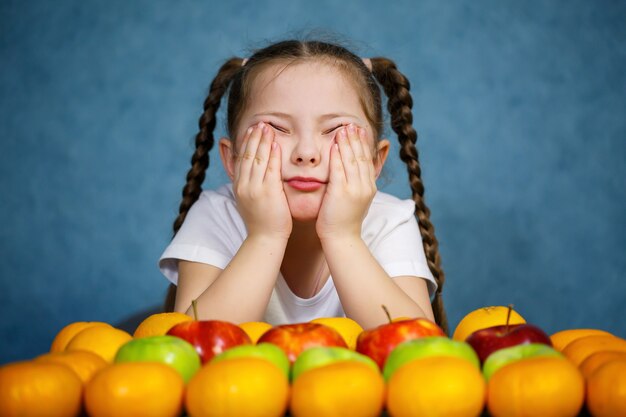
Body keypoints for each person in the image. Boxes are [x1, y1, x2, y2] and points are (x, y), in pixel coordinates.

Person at [159, 39, 448, 332]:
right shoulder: (215, 215)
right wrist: (265, 235)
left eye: (335, 129)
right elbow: (193, 344)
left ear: (375, 161)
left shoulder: (389, 220)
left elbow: (418, 346)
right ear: (233, 160)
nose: (306, 152)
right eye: (276, 128)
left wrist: (342, 235)